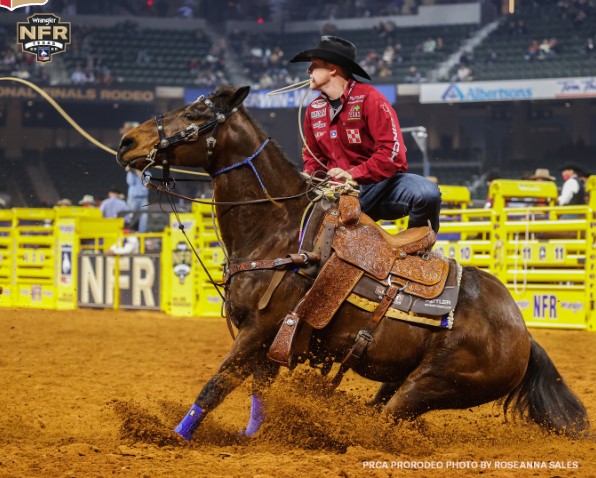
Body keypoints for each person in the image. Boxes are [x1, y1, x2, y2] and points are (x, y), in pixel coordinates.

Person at [289, 35, 441, 232]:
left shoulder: (370, 98)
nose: (308, 71)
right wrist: (309, 178)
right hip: (336, 194)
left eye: (314, 65)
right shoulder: (313, 109)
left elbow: (393, 155)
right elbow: (312, 157)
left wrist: (352, 175)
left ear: (333, 69)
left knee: (427, 194)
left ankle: (417, 252)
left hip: (379, 187)